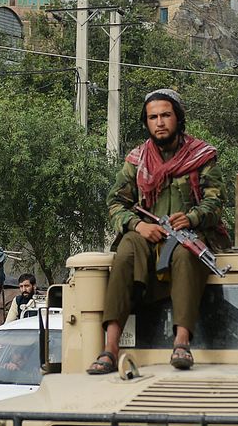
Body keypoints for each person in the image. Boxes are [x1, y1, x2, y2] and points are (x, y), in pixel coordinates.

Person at [91, 89, 225, 374]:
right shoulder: (137, 159)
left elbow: (216, 202)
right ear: (147, 122)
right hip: (147, 237)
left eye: (166, 115)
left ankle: (181, 342)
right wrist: (138, 224)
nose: (160, 122)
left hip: (187, 235)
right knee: (126, 248)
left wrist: (191, 217)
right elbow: (116, 202)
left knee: (187, 256)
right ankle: (110, 348)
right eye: (153, 117)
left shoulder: (201, 155)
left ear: (178, 118)